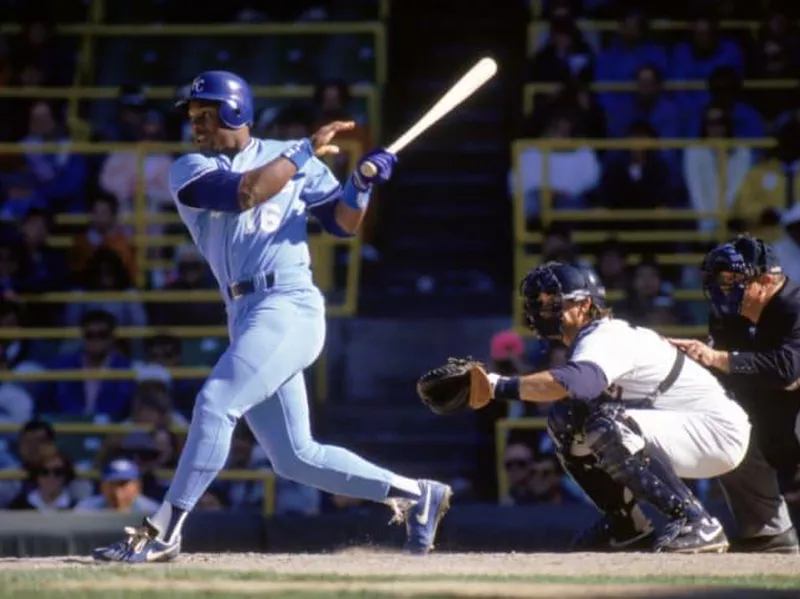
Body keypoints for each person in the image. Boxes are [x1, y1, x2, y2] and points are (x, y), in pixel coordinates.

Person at [92, 70, 452, 563]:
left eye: (206, 113)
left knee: (216, 403)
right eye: (193, 115)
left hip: (288, 304)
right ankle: (416, 495)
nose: (195, 123)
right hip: (244, 312)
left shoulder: (291, 157)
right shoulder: (191, 167)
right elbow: (244, 193)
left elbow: (342, 223)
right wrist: (303, 150)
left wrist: (363, 183)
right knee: (295, 457)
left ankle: (165, 528)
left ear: (235, 111)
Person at [450, 262, 752, 552]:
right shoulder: (594, 338)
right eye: (539, 303)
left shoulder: (604, 336)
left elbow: (577, 383)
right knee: (566, 418)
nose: (542, 311)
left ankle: (696, 522)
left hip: (716, 430)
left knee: (604, 424)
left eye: (554, 303)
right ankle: (628, 525)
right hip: (686, 425)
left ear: (584, 306)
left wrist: (495, 386)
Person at [668, 234, 800, 553]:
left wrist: (718, 359)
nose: (724, 288)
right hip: (767, 414)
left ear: (767, 281)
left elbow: (788, 371)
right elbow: (727, 375)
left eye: (734, 280)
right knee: (723, 431)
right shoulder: (727, 314)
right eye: (721, 279)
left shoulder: (795, 306)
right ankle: (769, 531)